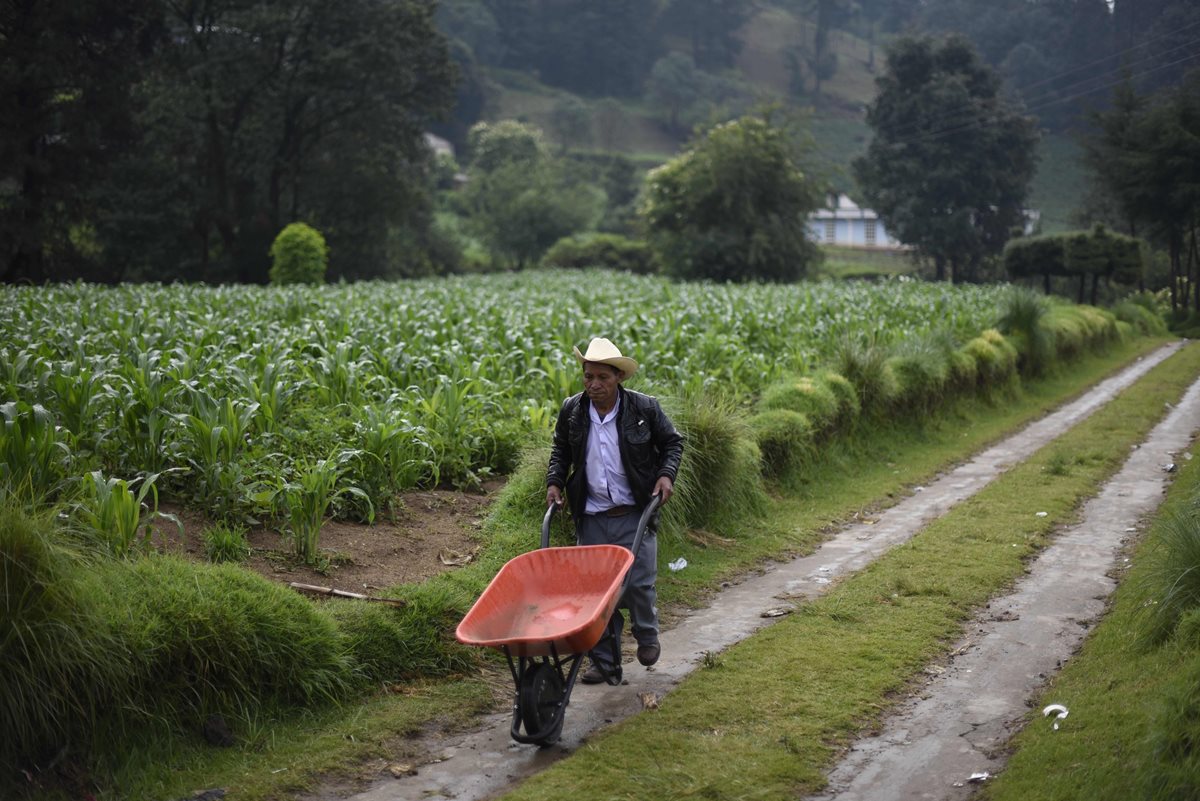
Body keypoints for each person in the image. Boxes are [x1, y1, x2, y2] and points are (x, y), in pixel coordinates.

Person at [546, 337, 684, 685]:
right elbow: (561, 449)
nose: (593, 384)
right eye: (588, 376)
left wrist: (666, 476)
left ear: (618, 377)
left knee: (637, 583)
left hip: (634, 511)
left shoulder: (644, 409)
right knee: (596, 592)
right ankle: (605, 662)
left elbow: (672, 442)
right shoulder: (572, 410)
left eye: (601, 378)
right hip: (592, 515)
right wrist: (555, 482)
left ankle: (647, 634)